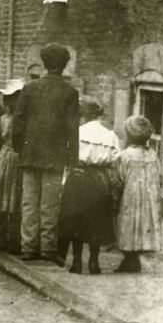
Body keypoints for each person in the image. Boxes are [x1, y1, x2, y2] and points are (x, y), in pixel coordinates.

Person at [12, 43, 79, 264]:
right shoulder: (70, 92)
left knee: (29, 202)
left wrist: (18, 147)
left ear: (44, 63)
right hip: (56, 157)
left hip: (29, 154)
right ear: (64, 65)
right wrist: (72, 158)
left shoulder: (30, 88)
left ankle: (28, 247)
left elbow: (19, 120)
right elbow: (72, 128)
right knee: (50, 204)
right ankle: (47, 249)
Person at [56, 96, 120, 274]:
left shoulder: (77, 132)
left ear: (84, 114)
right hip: (100, 179)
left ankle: (76, 262)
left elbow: (66, 156)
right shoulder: (110, 135)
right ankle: (94, 262)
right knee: (96, 221)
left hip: (78, 176)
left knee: (76, 220)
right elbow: (116, 159)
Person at [115, 115, 163, 273]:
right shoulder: (152, 154)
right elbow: (158, 177)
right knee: (141, 225)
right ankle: (132, 258)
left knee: (128, 225)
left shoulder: (126, 155)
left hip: (131, 195)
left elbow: (119, 178)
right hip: (148, 196)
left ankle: (130, 258)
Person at [0, 80, 24, 254]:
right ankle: (14, 242)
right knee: (16, 201)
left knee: (0, 199)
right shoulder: (24, 121)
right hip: (19, 159)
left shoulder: (2, 120)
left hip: (3, 157)